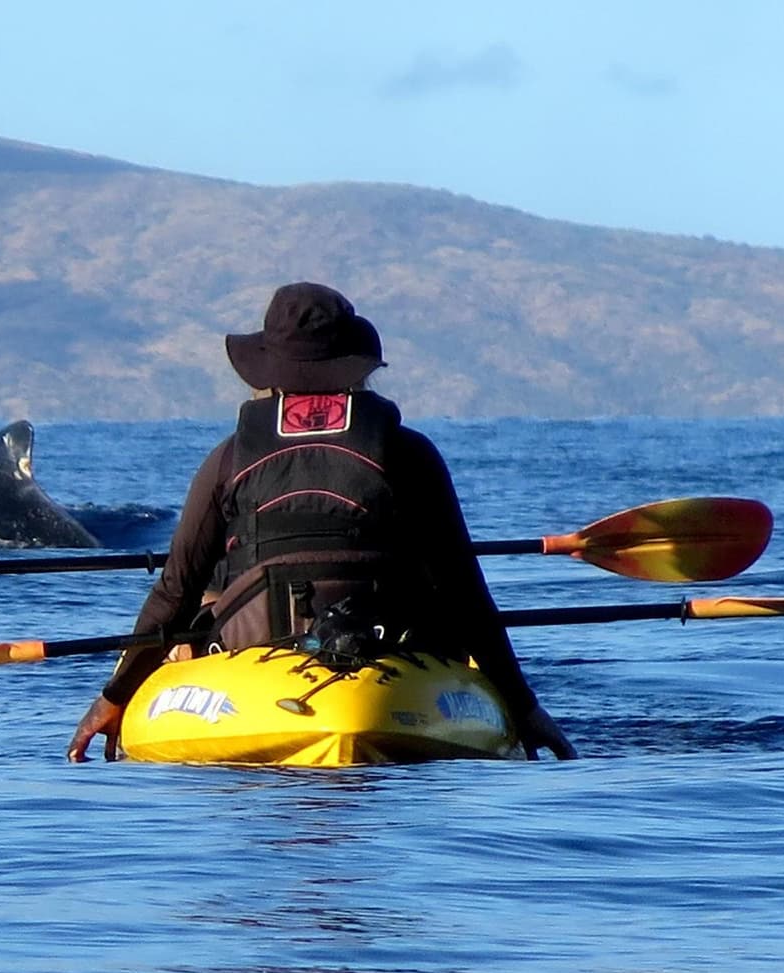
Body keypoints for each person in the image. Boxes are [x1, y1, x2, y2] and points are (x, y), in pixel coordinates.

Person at [66, 281, 576, 763]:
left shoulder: (227, 459)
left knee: (198, 616)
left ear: (266, 373)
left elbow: (176, 590)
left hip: (254, 651)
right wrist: (523, 706)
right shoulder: (410, 453)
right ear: (358, 370)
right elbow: (465, 593)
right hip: (391, 653)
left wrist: (114, 698)